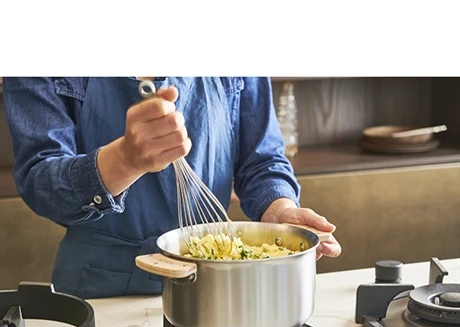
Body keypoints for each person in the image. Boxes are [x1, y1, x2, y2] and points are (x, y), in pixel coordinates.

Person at [3, 77, 341, 299]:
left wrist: (280, 210)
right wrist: (123, 161)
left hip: (216, 290)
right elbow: (39, 181)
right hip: (99, 294)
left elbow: (261, 160)